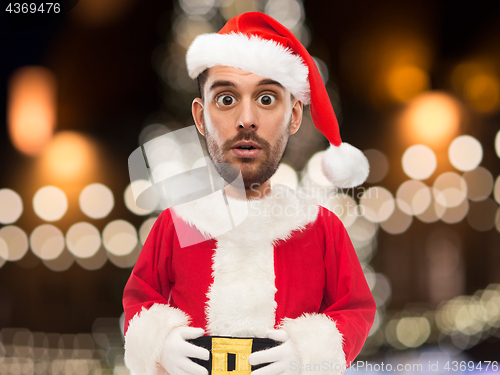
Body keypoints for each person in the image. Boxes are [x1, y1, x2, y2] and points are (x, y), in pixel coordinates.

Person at [122, 11, 376, 375]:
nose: (246, 119)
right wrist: (159, 344)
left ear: (294, 115)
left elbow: (355, 310)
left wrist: (309, 353)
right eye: (226, 99)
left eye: (267, 99)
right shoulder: (177, 224)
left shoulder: (321, 229)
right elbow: (140, 299)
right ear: (200, 116)